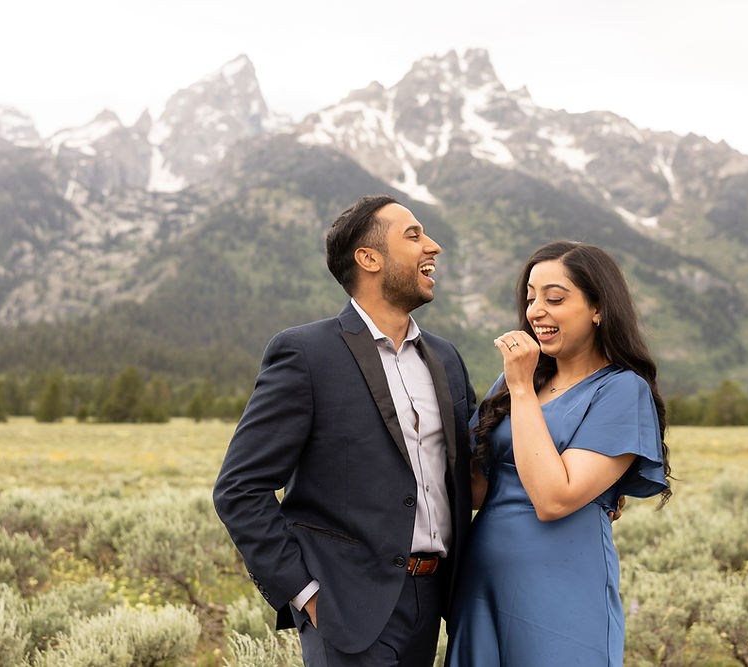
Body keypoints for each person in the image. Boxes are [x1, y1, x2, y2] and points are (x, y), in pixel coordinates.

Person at [213, 194, 476, 667]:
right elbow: (238, 489)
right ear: (369, 257)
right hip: (346, 608)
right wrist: (305, 592)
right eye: (414, 236)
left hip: (436, 603)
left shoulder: (447, 359)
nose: (432, 246)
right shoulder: (305, 354)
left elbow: (474, 470)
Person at [445, 240, 671, 666]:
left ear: (598, 308)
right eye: (530, 298)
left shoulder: (621, 389)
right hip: (482, 579)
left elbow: (553, 499)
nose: (535, 311)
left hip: (562, 584)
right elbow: (473, 489)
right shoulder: (517, 380)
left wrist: (520, 388)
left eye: (554, 298)